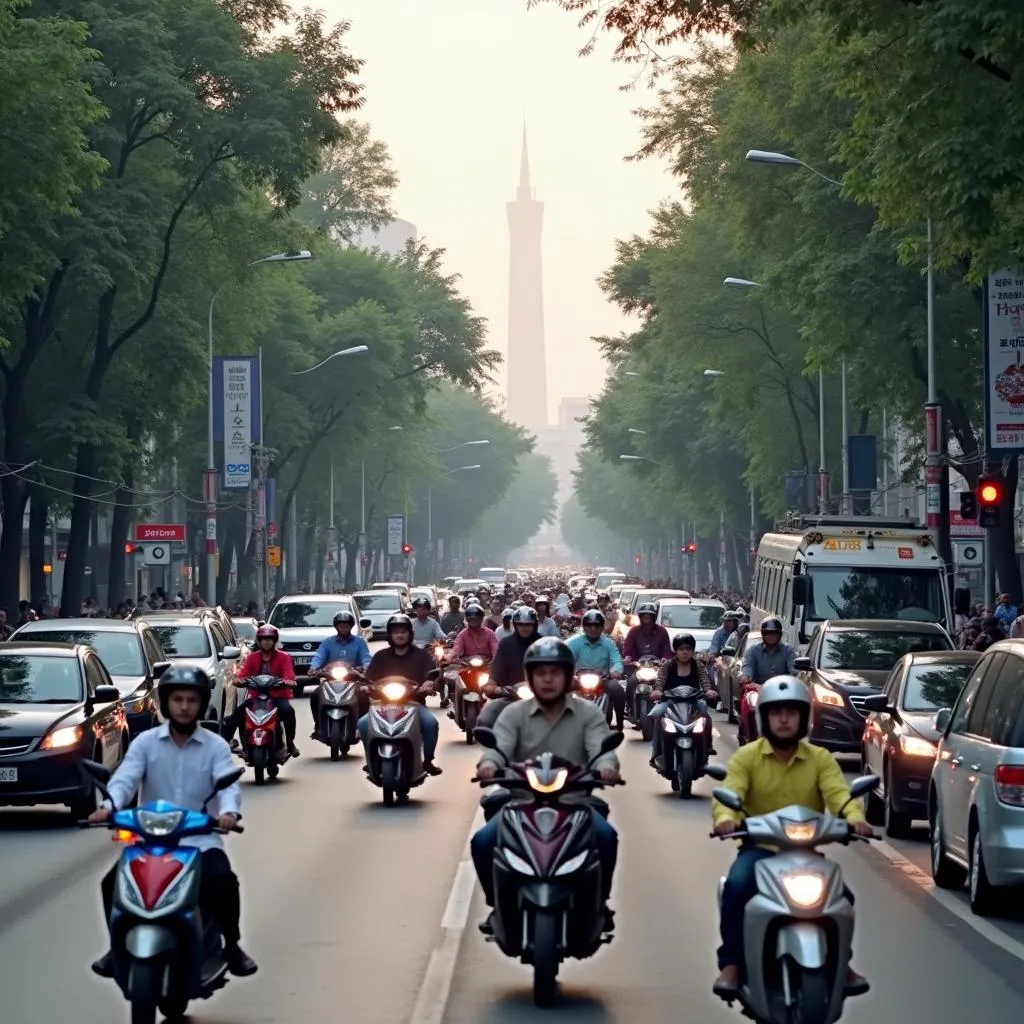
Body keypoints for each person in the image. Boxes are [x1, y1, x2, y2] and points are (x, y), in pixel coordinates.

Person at [89, 666, 257, 979]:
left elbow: (228, 784)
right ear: (166, 702)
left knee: (223, 881)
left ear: (200, 703)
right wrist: (107, 806)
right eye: (177, 699)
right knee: (111, 883)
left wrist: (229, 814)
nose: (183, 706)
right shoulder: (145, 743)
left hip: (200, 839)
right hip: (149, 839)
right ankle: (117, 946)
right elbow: (124, 779)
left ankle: (231, 946)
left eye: (190, 700)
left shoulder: (216, 746)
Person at [711, 675, 873, 998]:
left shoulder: (820, 758)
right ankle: (732, 963)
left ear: (804, 717)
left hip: (806, 854)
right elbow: (728, 792)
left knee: (845, 898)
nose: (784, 719)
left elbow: (840, 795)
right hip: (759, 852)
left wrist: (855, 820)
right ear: (764, 717)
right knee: (737, 888)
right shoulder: (747, 757)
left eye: (791, 712)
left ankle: (844, 963)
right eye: (776, 712)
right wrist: (726, 819)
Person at [471, 637, 621, 934]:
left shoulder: (588, 713)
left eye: (555, 672)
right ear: (530, 677)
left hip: (576, 802)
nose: (548, 679)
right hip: (520, 802)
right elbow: (498, 747)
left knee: (606, 837)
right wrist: (489, 765)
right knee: (483, 842)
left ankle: (599, 902)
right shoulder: (513, 713)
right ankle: (497, 904)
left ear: (568, 676)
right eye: (541, 673)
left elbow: (602, 749)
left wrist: (606, 768)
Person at [357, 613, 442, 776]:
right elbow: (369, 678)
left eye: (403, 631)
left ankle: (428, 760)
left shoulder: (422, 655)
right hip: (382, 705)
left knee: (431, 724)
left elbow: (431, 675)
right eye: (396, 632)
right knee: (362, 724)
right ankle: (371, 760)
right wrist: (366, 687)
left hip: (414, 704)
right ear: (390, 635)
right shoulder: (381, 656)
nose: (400, 635)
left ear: (410, 634)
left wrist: (427, 685)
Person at [221, 624, 299, 757]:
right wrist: (238, 680)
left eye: (269, 639)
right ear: (259, 641)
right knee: (238, 713)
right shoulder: (253, 657)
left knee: (288, 711)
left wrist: (288, 681)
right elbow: (243, 674)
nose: (267, 642)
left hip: (278, 696)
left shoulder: (284, 657)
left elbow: (289, 674)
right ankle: (226, 742)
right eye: (264, 639)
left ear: (274, 641)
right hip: (256, 696)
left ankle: (290, 743)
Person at [649, 633, 718, 761]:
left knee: (705, 715)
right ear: (675, 651)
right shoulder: (667, 665)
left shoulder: (698, 665)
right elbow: (660, 681)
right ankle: (656, 750)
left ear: (693, 651)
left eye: (688, 649)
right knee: (657, 715)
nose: (685, 652)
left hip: (694, 701)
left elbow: (705, 681)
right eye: (681, 649)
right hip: (670, 701)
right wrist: (657, 691)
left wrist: (708, 691)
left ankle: (707, 745)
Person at [308, 610, 373, 736]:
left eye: (346, 625)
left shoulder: (360, 642)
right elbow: (319, 656)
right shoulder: (327, 642)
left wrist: (366, 669)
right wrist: (314, 668)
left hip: (354, 680)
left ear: (351, 626)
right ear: (336, 626)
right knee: (315, 695)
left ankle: (360, 727)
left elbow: (366, 657)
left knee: (364, 697)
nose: (343, 627)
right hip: (331, 680)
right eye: (340, 625)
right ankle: (318, 726)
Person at [477, 605, 541, 729]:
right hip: (510, 697)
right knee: (484, 721)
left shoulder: (545, 643)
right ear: (515, 625)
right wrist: (492, 687)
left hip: (542, 698)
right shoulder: (506, 644)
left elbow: (558, 671)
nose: (524, 628)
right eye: (521, 624)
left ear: (535, 625)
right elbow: (495, 672)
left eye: (528, 624)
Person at [566, 609, 626, 729]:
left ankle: (620, 724)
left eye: (597, 625)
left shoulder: (609, 643)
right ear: (584, 626)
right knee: (560, 689)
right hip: (577, 679)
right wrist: (566, 673)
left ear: (602, 627)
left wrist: (616, 671)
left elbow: (617, 661)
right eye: (589, 625)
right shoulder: (573, 642)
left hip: (603, 679)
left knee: (618, 690)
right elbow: (564, 657)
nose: (593, 628)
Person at [623, 602, 672, 720]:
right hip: (638, 667)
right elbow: (627, 647)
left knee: (667, 685)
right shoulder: (633, 631)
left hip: (657, 667)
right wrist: (628, 657)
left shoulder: (662, 631)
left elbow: (667, 649)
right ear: (640, 616)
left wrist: (665, 659)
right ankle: (629, 707)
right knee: (631, 683)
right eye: (644, 615)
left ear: (654, 617)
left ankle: (668, 710)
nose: (646, 618)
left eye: (649, 615)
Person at [739, 616, 796, 686]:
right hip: (758, 690)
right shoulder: (753, 650)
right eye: (766, 633)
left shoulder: (788, 650)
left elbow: (794, 670)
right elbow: (748, 667)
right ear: (762, 635)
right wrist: (745, 677)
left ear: (780, 634)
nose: (770, 636)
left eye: (774, 633)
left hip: (783, 690)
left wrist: (796, 677)